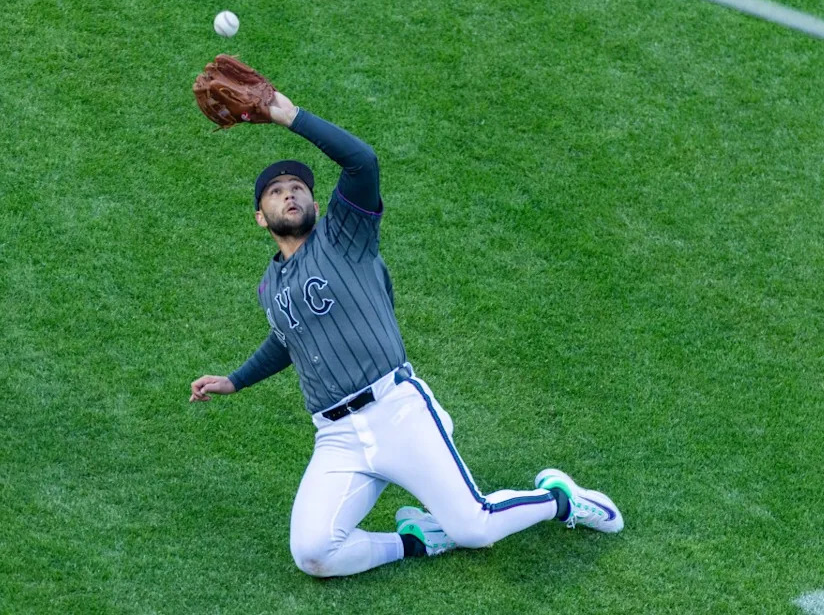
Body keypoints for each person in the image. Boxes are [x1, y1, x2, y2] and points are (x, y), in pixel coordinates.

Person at [189, 89, 624, 578]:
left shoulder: (345, 236)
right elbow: (288, 339)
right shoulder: (269, 285)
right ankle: (419, 540)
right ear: (259, 217)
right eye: (276, 191)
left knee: (475, 527)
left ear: (315, 202)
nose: (290, 194)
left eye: (298, 187)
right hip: (336, 437)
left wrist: (289, 116)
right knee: (313, 554)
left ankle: (561, 499)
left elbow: (362, 163)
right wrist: (235, 380)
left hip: (396, 412)